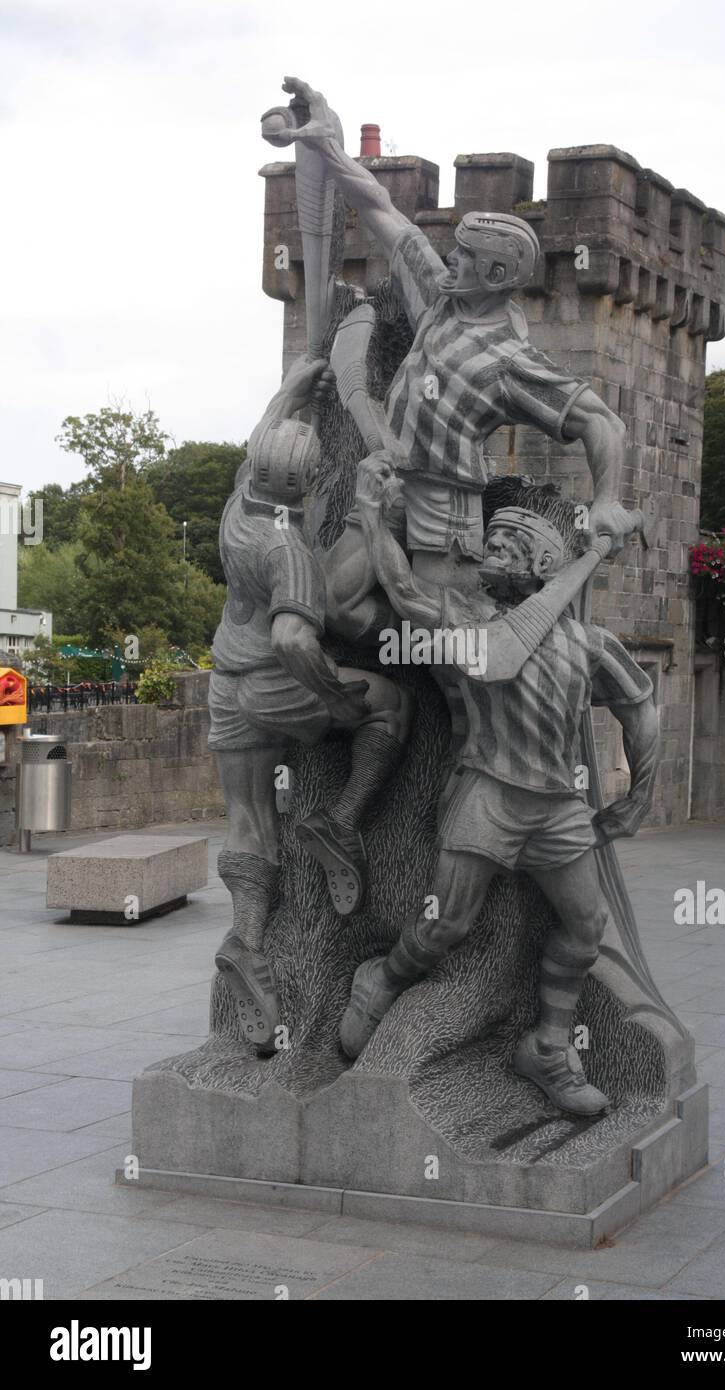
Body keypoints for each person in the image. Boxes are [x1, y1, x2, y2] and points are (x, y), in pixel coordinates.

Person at [337, 454, 659, 1114]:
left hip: (558, 808)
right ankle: (381, 979)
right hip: (484, 793)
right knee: (446, 924)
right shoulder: (469, 624)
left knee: (587, 925)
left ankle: (546, 1044)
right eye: (496, 536)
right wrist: (371, 517)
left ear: (547, 568)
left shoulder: (588, 644)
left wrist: (641, 792)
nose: (495, 547)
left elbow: (641, 707)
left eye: (514, 542)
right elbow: (404, 592)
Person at [263, 78, 633, 590]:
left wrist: (607, 500)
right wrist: (327, 145)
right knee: (332, 601)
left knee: (442, 642)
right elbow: (378, 208)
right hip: (386, 480)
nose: (451, 259)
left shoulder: (510, 360)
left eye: (465, 256)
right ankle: (378, 664)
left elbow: (602, 422)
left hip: (445, 506)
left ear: (497, 277)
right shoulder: (441, 295)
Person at [208, 357, 411, 1053]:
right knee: (386, 709)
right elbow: (296, 636)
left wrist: (296, 386)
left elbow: (266, 430)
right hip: (274, 681)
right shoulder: (288, 550)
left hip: (225, 683)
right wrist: (333, 695)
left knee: (248, 816)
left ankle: (249, 941)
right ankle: (342, 821)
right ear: (314, 482)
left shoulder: (239, 508)